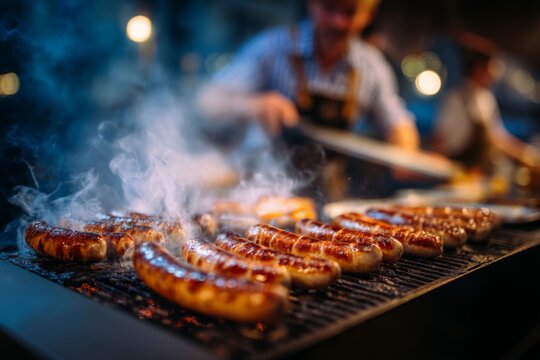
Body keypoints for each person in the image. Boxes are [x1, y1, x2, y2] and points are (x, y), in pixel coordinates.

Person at [197, 0, 420, 199]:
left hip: (330, 195)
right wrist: (253, 104)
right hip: (261, 189)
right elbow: (207, 100)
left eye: (350, 12)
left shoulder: (372, 67)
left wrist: (405, 150)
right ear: (312, 4)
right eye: (329, 8)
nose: (338, 22)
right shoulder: (271, 48)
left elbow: (398, 123)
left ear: (368, 14)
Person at [432, 32, 540, 187]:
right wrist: (441, 174)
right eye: (491, 67)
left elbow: (498, 137)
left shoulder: (486, 98)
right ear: (479, 69)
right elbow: (440, 140)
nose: (494, 74)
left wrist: (527, 154)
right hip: (457, 177)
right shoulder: (455, 99)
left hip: (479, 178)